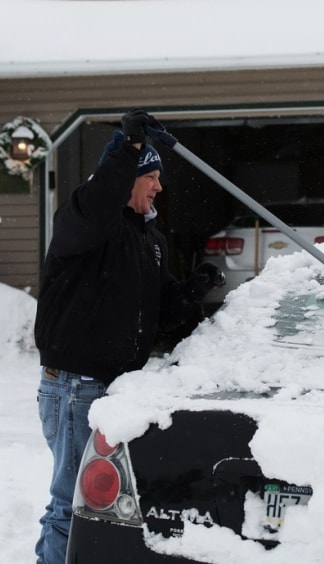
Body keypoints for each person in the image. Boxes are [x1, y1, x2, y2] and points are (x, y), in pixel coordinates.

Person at [32, 109, 223, 564]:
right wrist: (128, 146)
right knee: (73, 505)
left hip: (119, 390)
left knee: (108, 506)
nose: (158, 186)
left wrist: (197, 286)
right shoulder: (86, 224)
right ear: (126, 179)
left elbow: (160, 313)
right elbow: (101, 198)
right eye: (150, 177)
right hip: (76, 388)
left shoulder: (149, 240)